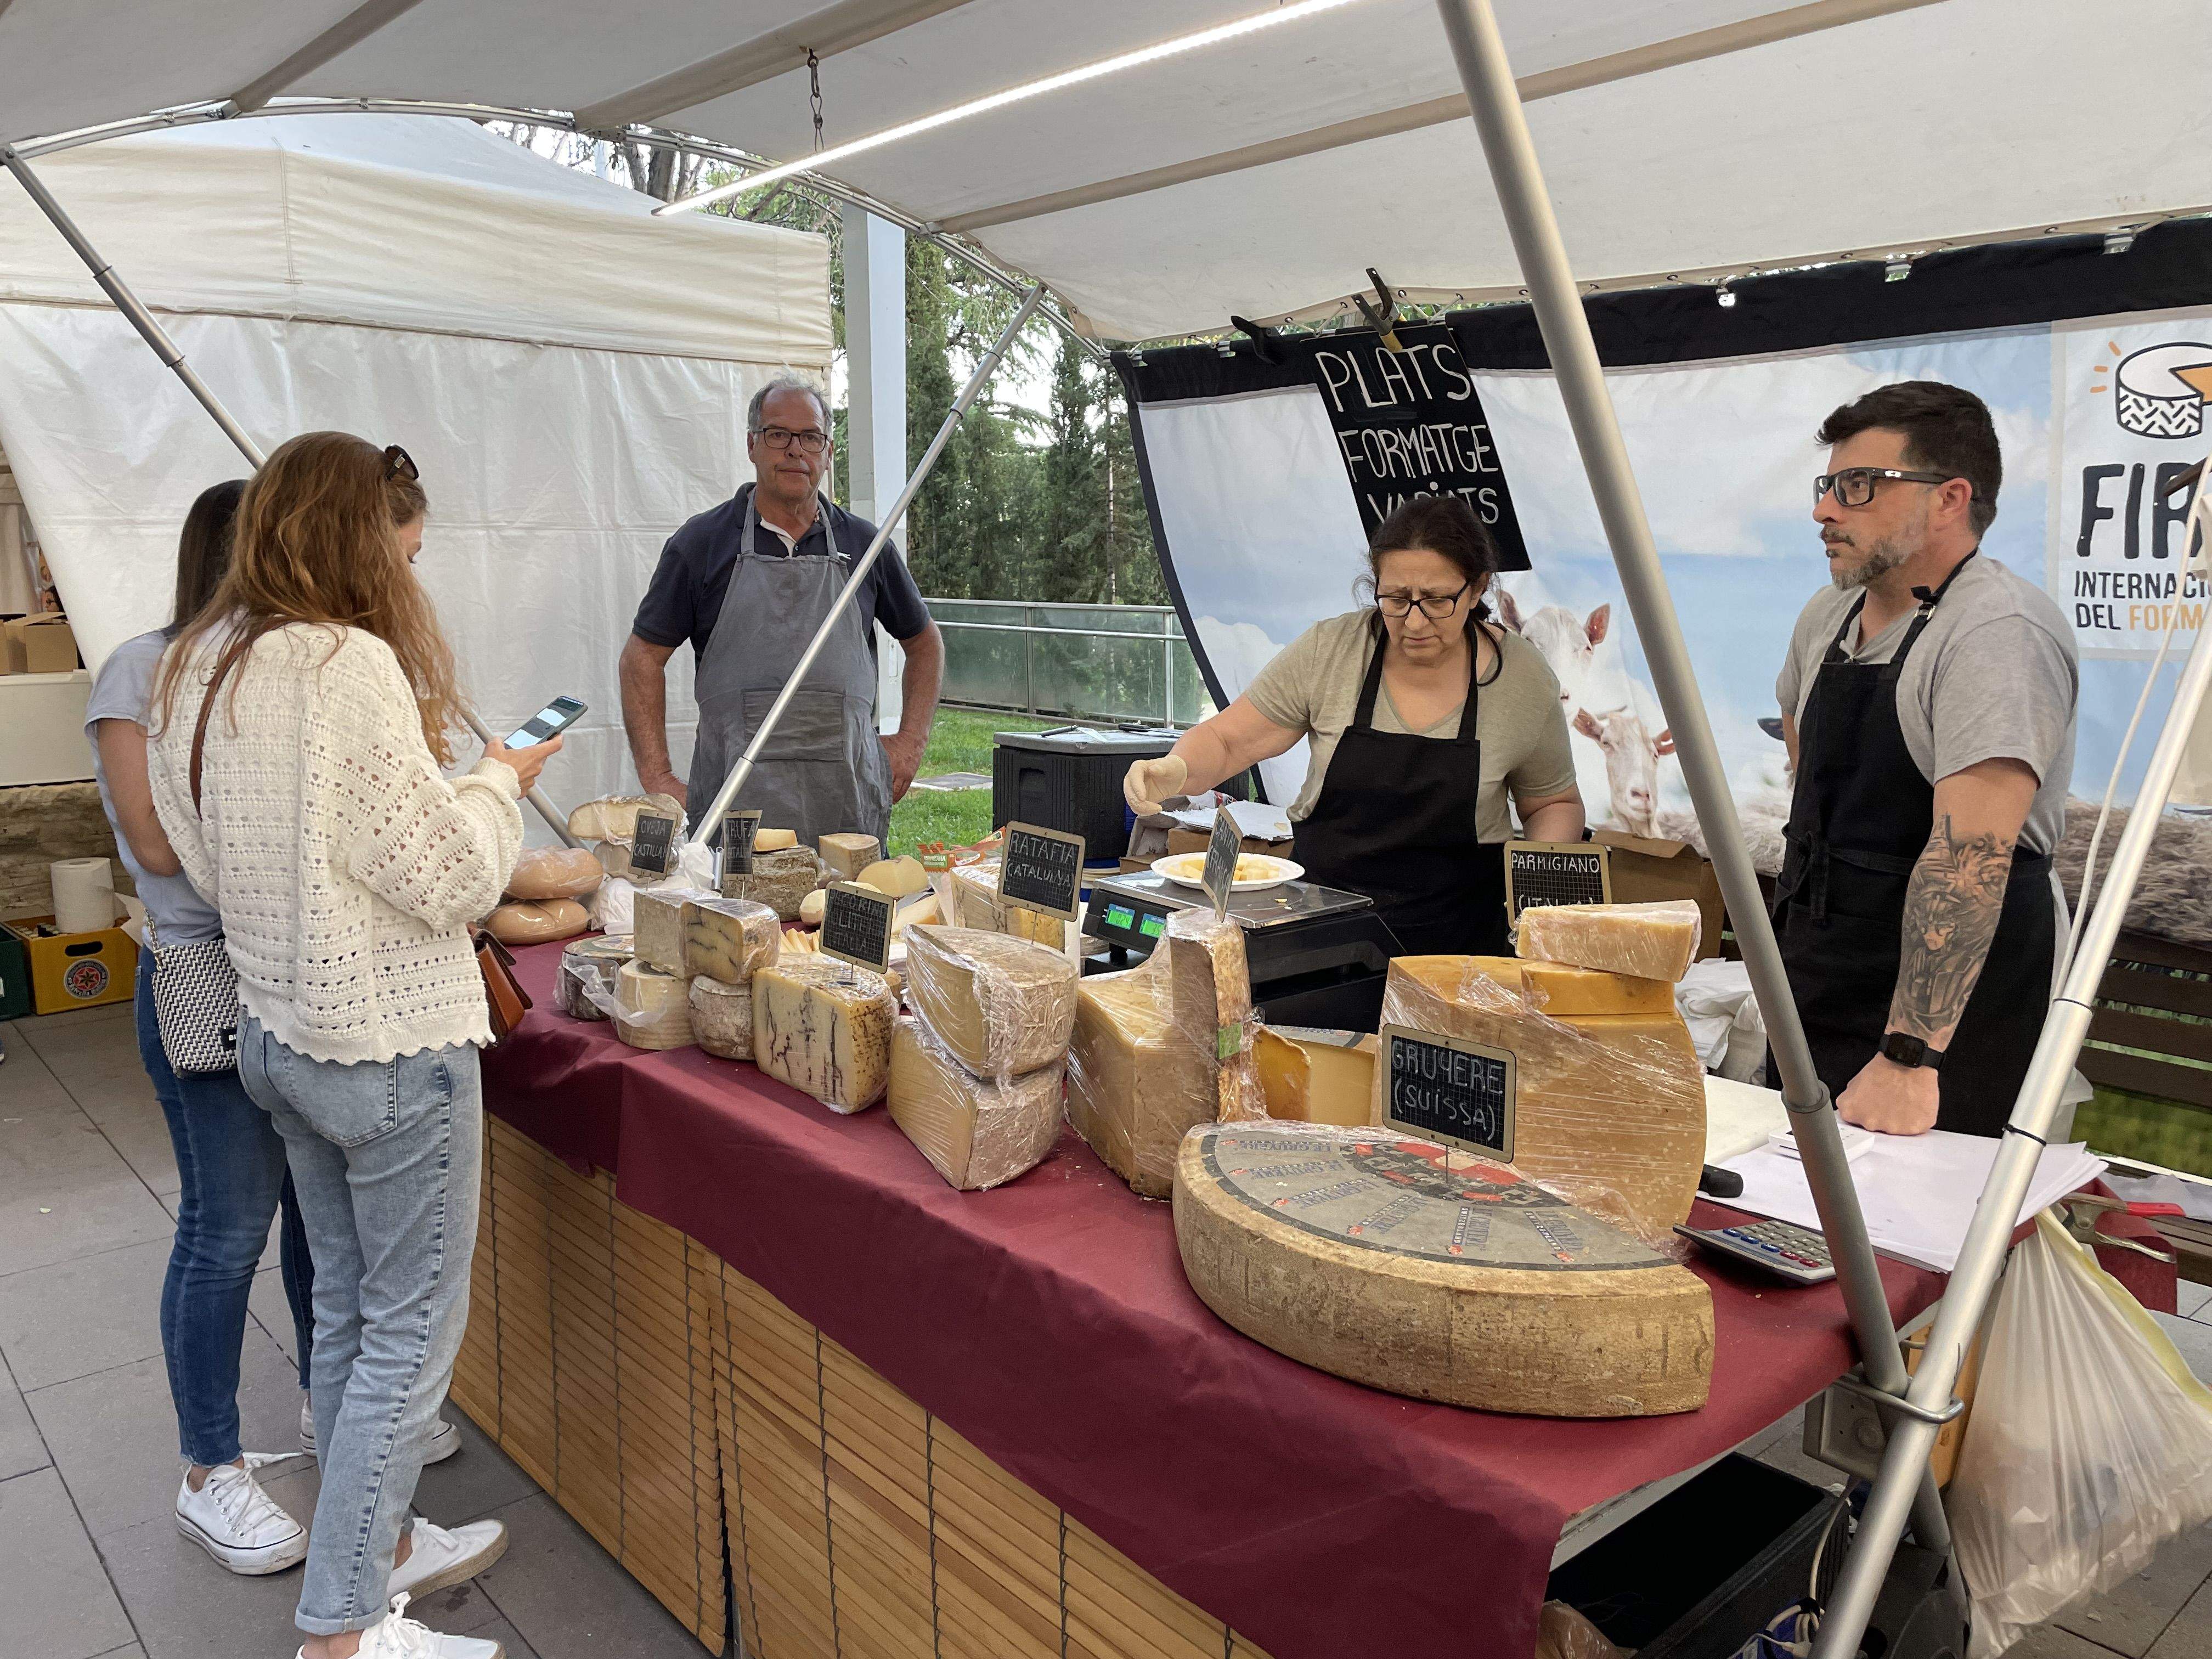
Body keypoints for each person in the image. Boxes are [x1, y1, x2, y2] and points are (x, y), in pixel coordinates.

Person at [148, 433, 560, 1659]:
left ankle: (368, 1559)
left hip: (281, 1035)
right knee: (404, 1342)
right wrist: (497, 780)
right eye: (403, 551)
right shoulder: (345, 665)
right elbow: (455, 876)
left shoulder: (196, 663)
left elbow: (202, 859)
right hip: (389, 1044)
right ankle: (342, 1629)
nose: (409, 575)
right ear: (355, 539)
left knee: (344, 1320)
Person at [88, 479, 319, 1574]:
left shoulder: (291, 670)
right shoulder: (141, 669)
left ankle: (329, 1401)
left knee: (316, 1213)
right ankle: (208, 1468)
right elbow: (156, 844)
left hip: (304, 973)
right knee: (228, 1226)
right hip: (207, 972)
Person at [1775, 381, 2078, 1138]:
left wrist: (1909, 1057)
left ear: (1949, 499)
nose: (1825, 511)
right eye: (1826, 486)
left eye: (1858, 486)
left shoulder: (1996, 633)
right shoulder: (1827, 614)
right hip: (1820, 975)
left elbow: (1968, 863)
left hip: (1942, 1034)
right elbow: (1806, 771)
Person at [1124, 495, 1584, 956]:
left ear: (1477, 587)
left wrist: (1536, 903)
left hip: (1458, 948)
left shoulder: (1522, 677)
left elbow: (1553, 803)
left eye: (1436, 600)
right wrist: (1176, 770)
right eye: (1396, 599)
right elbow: (1226, 741)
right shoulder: (1332, 651)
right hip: (1322, 936)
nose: (1415, 621)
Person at [618, 374, 944, 848]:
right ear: (753, 445)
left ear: (828, 452)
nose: (795, 450)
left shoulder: (866, 546)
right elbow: (641, 659)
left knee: (847, 897)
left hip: (848, 804)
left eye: (811, 437)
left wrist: (910, 742)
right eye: (778, 435)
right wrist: (658, 777)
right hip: (735, 809)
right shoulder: (701, 544)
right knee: (735, 899)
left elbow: (925, 644)